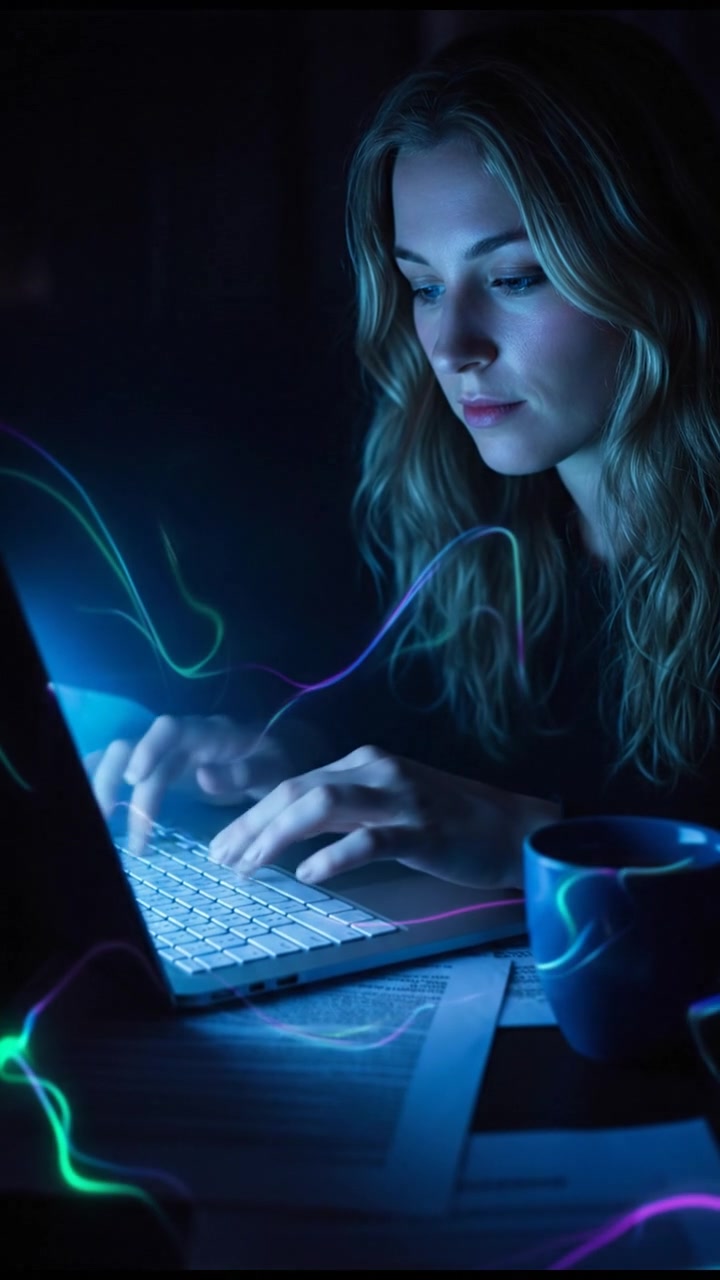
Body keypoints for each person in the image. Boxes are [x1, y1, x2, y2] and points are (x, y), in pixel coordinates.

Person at [89, 13, 720, 891]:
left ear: (656, 264)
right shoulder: (487, 534)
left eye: (514, 278)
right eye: (423, 286)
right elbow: (407, 727)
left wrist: (536, 839)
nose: (452, 345)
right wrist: (280, 755)